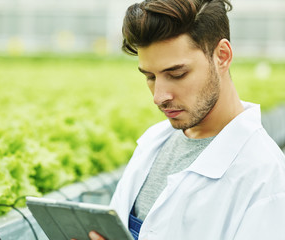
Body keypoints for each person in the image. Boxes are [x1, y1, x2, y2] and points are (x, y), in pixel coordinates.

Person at [74, 0, 285, 239]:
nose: (159, 97)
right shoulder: (155, 142)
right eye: (150, 77)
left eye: (176, 74)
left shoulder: (265, 178)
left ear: (222, 56)